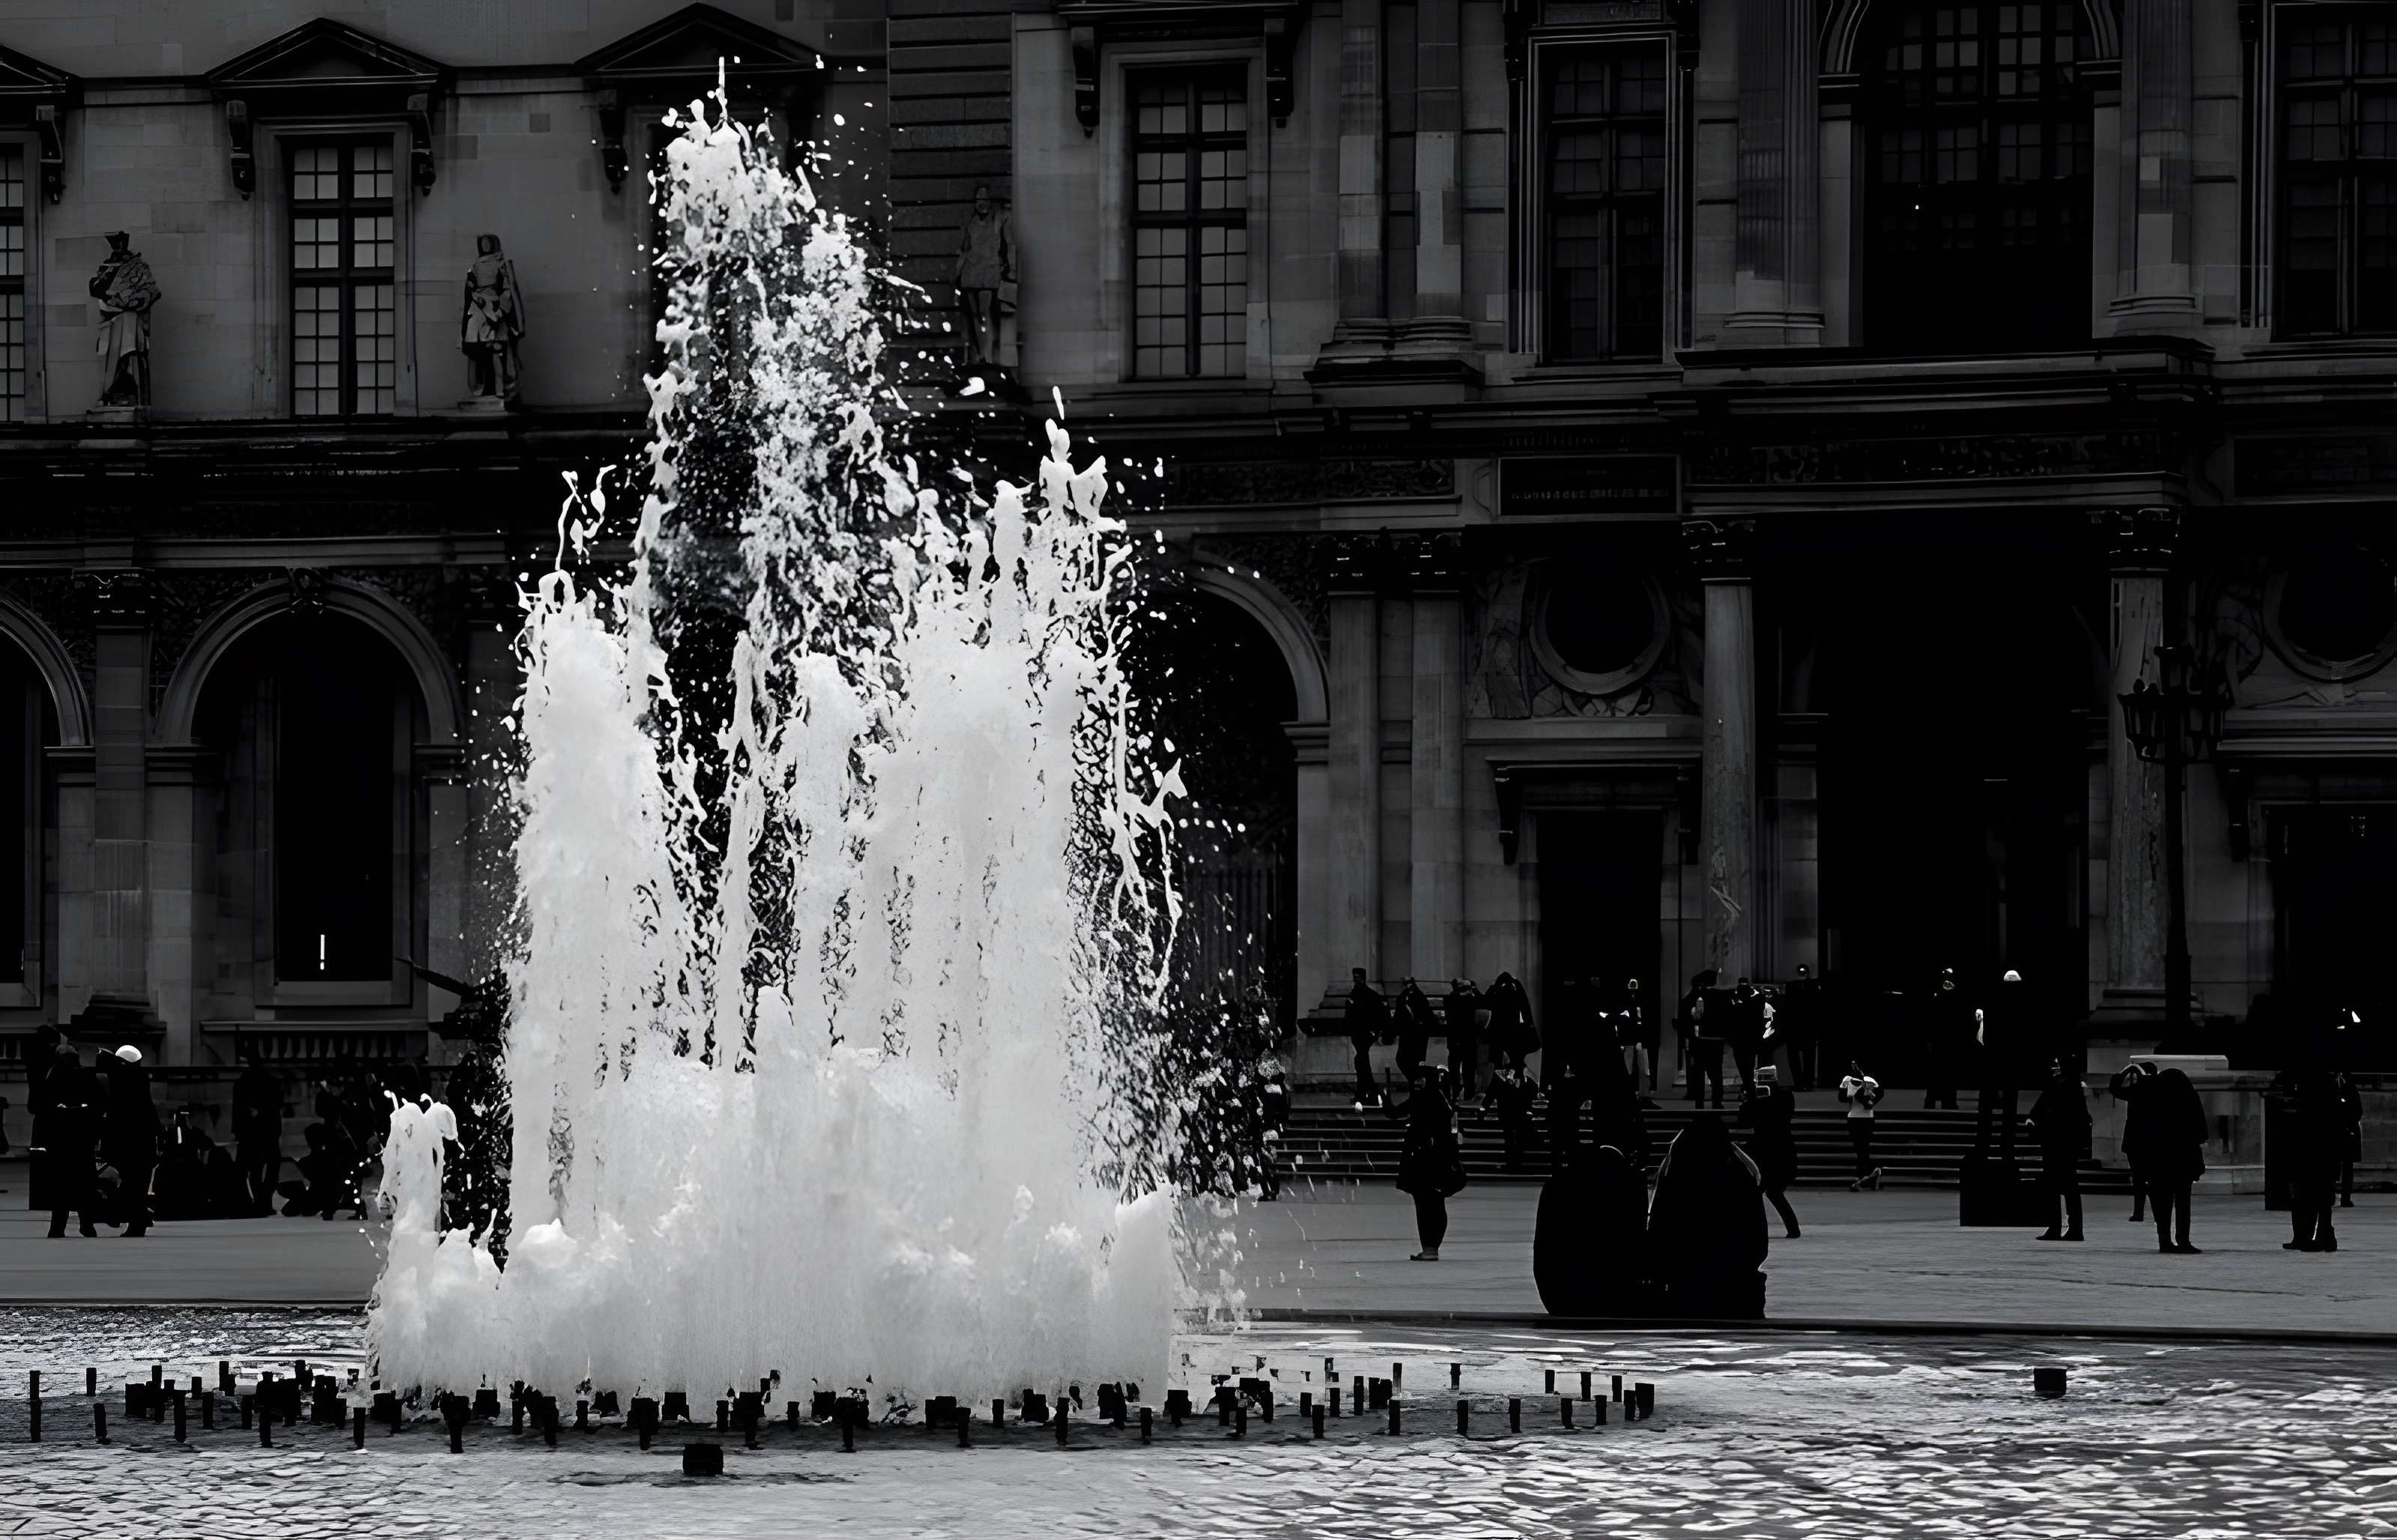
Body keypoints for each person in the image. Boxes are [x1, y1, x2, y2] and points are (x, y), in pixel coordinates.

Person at [1648, 1113, 1769, 1318]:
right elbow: (1756, 1234)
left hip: (1685, 1283)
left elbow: (1659, 1227)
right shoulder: (1740, 1173)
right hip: (1734, 1286)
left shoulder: (1675, 1173)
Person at [1385, 1066, 1465, 1261]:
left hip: (1422, 1159)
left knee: (1424, 1205)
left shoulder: (1422, 1098)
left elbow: (1395, 1113)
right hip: (1440, 1159)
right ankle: (1432, 1247)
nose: (1417, 1083)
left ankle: (1429, 1247)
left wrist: (1385, 1099)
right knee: (1436, 1204)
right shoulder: (1442, 1099)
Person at [2127, 1066, 2207, 1255]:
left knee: (2163, 1202)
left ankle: (2165, 1240)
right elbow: (2201, 1132)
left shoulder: (2154, 1101)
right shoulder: (2188, 1099)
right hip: (2183, 1160)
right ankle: (2183, 1240)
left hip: (2159, 1160)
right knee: (2182, 1202)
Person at [1973, 968, 2035, 1162]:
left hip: (1996, 1059)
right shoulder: (2019, 1005)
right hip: (2006, 1060)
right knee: (2008, 1104)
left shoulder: (1994, 1003)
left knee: (1990, 1105)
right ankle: (2003, 1145)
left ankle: (1986, 1144)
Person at [39, 1044, 99, 1239]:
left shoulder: (52, 1076)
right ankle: (86, 1225)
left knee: (61, 1185)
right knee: (84, 1184)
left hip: (61, 1139)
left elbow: (41, 1108)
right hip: (81, 1138)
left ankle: (58, 1227)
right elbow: (100, 1103)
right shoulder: (85, 1076)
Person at [1734, 1066, 1801, 1239]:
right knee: (1772, 1192)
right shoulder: (1784, 1096)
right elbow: (1745, 1121)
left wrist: (1751, 1102)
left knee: (1764, 1192)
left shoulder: (1781, 1097)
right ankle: (1791, 1229)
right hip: (1777, 1147)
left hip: (1768, 1148)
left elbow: (1745, 1121)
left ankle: (1760, 1229)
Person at [2026, 1058, 2088, 1241]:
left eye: (2057, 1063)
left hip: (2058, 1143)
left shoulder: (2063, 1086)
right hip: (2061, 1143)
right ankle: (2070, 1228)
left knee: (2059, 1187)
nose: (2054, 1067)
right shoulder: (2067, 1086)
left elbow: (2044, 1110)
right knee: (2066, 1188)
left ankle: (2059, 1228)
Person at [459, 233, 527, 403]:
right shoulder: (474, 267)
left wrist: (497, 313)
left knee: (498, 352)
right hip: (477, 311)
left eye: (488, 243)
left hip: (496, 312)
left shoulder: (500, 264)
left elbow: (507, 291)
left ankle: (501, 389)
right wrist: (477, 300)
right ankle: (480, 388)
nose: (486, 246)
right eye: (484, 243)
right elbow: (469, 290)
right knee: (475, 351)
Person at [102, 1044, 160, 1237]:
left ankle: (128, 1218)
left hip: (126, 1144)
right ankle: (135, 1221)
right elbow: (150, 1113)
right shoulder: (139, 1081)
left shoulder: (119, 1083)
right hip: (142, 1144)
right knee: (138, 1185)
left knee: (131, 1183)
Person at [954, 184, 1013, 369]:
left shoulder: (996, 219)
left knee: (985, 313)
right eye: (979, 200)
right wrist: (957, 273)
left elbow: (1009, 216)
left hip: (988, 272)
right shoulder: (970, 223)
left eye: (985, 199)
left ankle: (988, 356)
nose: (982, 204)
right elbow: (964, 250)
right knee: (974, 315)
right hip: (971, 273)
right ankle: (979, 355)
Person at [2285, 1070, 2344, 1252]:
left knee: (2315, 1195)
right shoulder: (2329, 1089)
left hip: (2316, 1150)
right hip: (2322, 1150)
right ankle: (2319, 1236)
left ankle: (2319, 1237)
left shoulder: (2314, 1096)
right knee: (2319, 1196)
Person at [231, 1052, 284, 1217]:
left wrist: (238, 1131)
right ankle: (264, 1201)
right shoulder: (272, 1082)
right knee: (271, 1166)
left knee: (255, 1170)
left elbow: (237, 1109)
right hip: (268, 1131)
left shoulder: (242, 1083)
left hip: (249, 1133)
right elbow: (277, 1105)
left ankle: (260, 1202)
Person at [2109, 1061, 2158, 1222]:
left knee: (2139, 1179)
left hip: (2137, 1141)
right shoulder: (2154, 1090)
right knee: (2148, 1178)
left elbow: (2114, 1088)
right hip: (2149, 1141)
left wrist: (2125, 1071)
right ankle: (2151, 1211)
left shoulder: (2138, 1091)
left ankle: (2139, 1212)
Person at [1344, 967, 1388, 1108]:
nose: (1355, 979)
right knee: (1362, 1063)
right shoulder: (1359, 993)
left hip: (1364, 1034)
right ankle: (1369, 1094)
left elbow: (1371, 1013)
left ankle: (1370, 1093)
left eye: (1357, 977)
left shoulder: (1366, 994)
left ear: (1361, 978)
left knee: (1361, 1063)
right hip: (1360, 1034)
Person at [1923, 968, 1966, 1109]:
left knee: (1948, 1072)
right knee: (1937, 1072)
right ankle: (1934, 1100)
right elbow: (1930, 1018)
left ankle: (1947, 1101)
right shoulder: (1937, 995)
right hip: (1940, 1040)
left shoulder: (1954, 995)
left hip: (1949, 1040)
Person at [1837, 1059, 1883, 1190]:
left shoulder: (1870, 1083)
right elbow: (1842, 1098)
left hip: (1866, 1119)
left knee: (1862, 1148)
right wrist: (1843, 1087)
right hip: (1853, 1118)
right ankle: (1869, 1173)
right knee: (1860, 1148)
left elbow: (1871, 1099)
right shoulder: (1852, 1082)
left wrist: (1869, 1098)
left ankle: (1863, 1175)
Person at [1487, 1065, 1542, 1172]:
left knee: (1511, 1139)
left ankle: (1512, 1163)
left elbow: (1492, 1094)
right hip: (1515, 1114)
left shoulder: (1503, 1079)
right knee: (1514, 1139)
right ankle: (1515, 1163)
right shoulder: (1523, 1078)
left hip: (1510, 1114)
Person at [1686, 970, 1727, 1109]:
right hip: (1717, 1039)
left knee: (1699, 1073)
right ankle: (1717, 1101)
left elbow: (1697, 1016)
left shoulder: (1700, 996)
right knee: (1716, 1073)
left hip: (1702, 1039)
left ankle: (1700, 1102)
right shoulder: (1723, 996)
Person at [1485, 971, 1539, 1076]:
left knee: (1498, 1064)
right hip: (1514, 1031)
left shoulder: (1497, 994)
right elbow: (1525, 1006)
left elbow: (1486, 1000)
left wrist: (1494, 984)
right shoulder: (1515, 992)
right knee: (1516, 1061)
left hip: (1498, 1032)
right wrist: (1516, 982)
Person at [1724, 977, 1767, 1099]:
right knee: (1749, 1065)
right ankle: (1749, 1088)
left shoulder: (1735, 1009)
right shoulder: (1757, 1005)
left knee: (1744, 1067)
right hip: (1752, 1040)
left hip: (1739, 1042)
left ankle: (1748, 1087)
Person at [1443, 978, 1485, 1103]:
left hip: (1455, 1042)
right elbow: (1483, 1000)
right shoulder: (1472, 1001)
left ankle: (1456, 1093)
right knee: (1469, 1071)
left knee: (1454, 1070)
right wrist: (1474, 989)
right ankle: (1469, 1095)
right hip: (1469, 1042)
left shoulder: (1451, 1001)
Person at [1782, 965, 1822, 1090]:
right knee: (1808, 1056)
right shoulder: (1813, 991)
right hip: (1807, 1027)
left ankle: (1800, 1082)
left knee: (1795, 1057)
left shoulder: (1791, 990)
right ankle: (1807, 1082)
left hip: (1795, 1027)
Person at [1395, 979, 1437, 1082]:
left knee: (1413, 1062)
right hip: (1409, 1033)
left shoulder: (1418, 998)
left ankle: (1416, 1083)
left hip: (1417, 1034)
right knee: (1404, 1060)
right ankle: (1415, 1082)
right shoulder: (1403, 999)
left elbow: (1427, 1016)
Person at [1622, 977, 1658, 1091]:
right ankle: (1630, 1089)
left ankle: (1643, 1090)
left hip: (1641, 1038)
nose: (1633, 988)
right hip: (1629, 1037)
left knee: (1643, 1066)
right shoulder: (1625, 1001)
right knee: (1629, 1065)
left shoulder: (1643, 1000)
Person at [2336, 1070, 2363, 1208]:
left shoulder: (2341, 1089)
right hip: (2348, 1131)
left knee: (2339, 1166)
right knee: (2347, 1168)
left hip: (2341, 1131)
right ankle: (2345, 1198)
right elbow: (2358, 1111)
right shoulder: (2351, 1089)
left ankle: (2341, 1197)